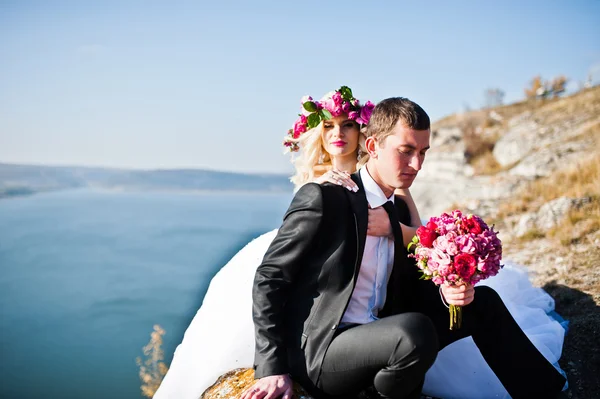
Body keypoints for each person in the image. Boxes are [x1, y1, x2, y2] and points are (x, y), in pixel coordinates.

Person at [153, 89, 566, 399]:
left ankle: (548, 393)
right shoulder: (325, 197)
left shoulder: (399, 212)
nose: (417, 165)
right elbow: (270, 278)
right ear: (372, 146)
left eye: (422, 153)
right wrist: (271, 368)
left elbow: (403, 284)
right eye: (406, 152)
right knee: (414, 331)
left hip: (382, 331)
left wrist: (450, 290)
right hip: (327, 352)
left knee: (483, 303)